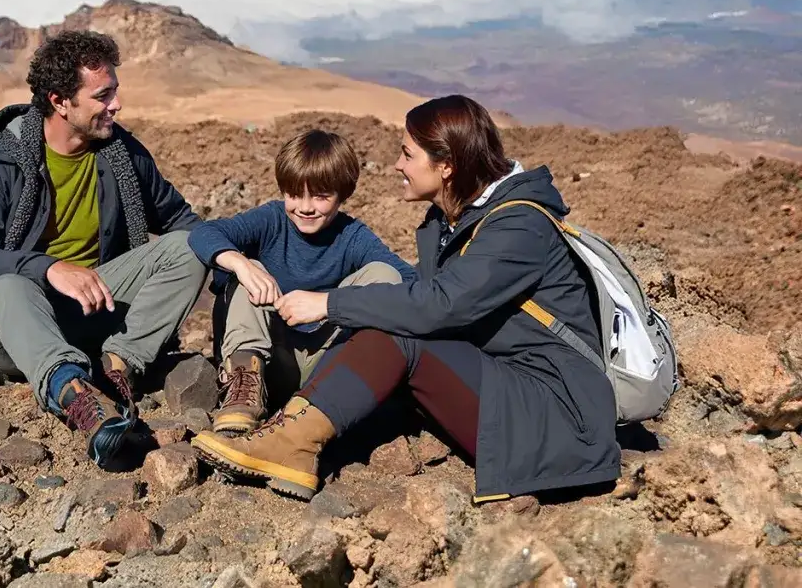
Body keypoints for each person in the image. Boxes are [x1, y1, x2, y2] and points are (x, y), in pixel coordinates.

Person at [192, 95, 621, 503]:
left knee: (401, 325)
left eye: (408, 154)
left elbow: (439, 305)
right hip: (503, 387)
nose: (397, 164)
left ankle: (290, 443)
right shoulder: (455, 220)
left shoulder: (518, 226)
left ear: (447, 165)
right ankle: (291, 429)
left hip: (557, 420)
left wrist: (329, 304)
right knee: (396, 315)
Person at [0, 30, 208, 468]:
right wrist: (49, 269)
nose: (116, 105)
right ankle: (76, 396)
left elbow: (183, 223)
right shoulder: (4, 159)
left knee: (186, 248)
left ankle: (117, 366)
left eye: (116, 92)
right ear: (60, 101)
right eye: (103, 96)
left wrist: (240, 259)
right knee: (11, 286)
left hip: (90, 310)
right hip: (12, 325)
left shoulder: (122, 154)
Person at [188, 129, 415, 434]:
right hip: (265, 361)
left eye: (321, 196)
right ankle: (241, 393)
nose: (305, 207)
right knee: (249, 266)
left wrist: (327, 305)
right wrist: (241, 264)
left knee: (384, 275)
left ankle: (327, 403)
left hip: (324, 365)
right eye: (294, 195)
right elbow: (203, 233)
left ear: (343, 194)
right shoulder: (271, 220)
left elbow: (409, 280)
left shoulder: (353, 236)